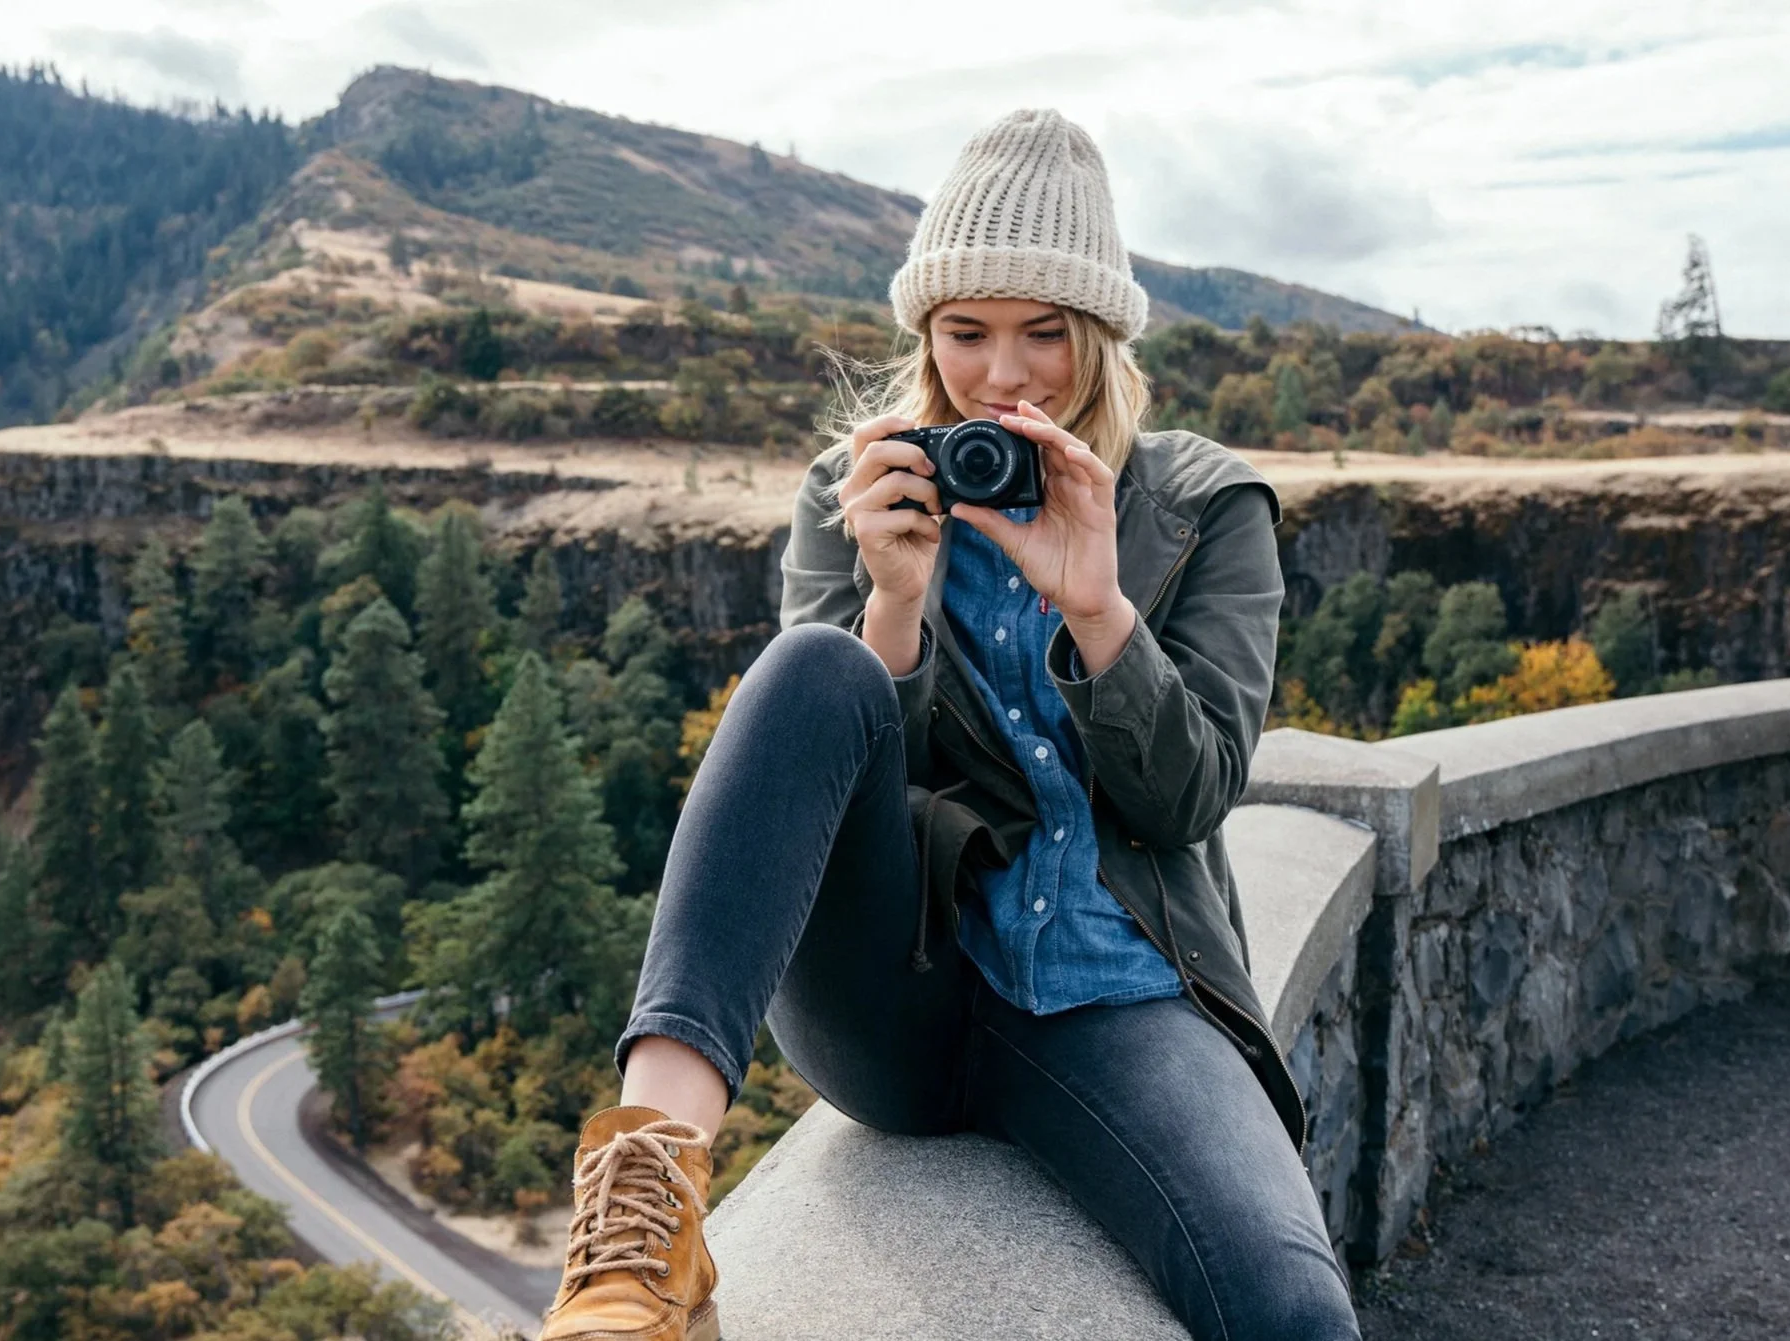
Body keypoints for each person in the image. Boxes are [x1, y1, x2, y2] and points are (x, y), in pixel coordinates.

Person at [538, 108, 1361, 1341]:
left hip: (1119, 998)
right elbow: (830, 773)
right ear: (926, 333)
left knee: (1294, 1307)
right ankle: (638, 1234)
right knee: (814, 664)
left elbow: (1190, 802)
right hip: (897, 990)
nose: (1005, 376)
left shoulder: (1201, 505)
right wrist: (897, 604)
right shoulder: (855, 492)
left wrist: (1097, 607)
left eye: (1046, 334)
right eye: (967, 333)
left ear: (1101, 338)